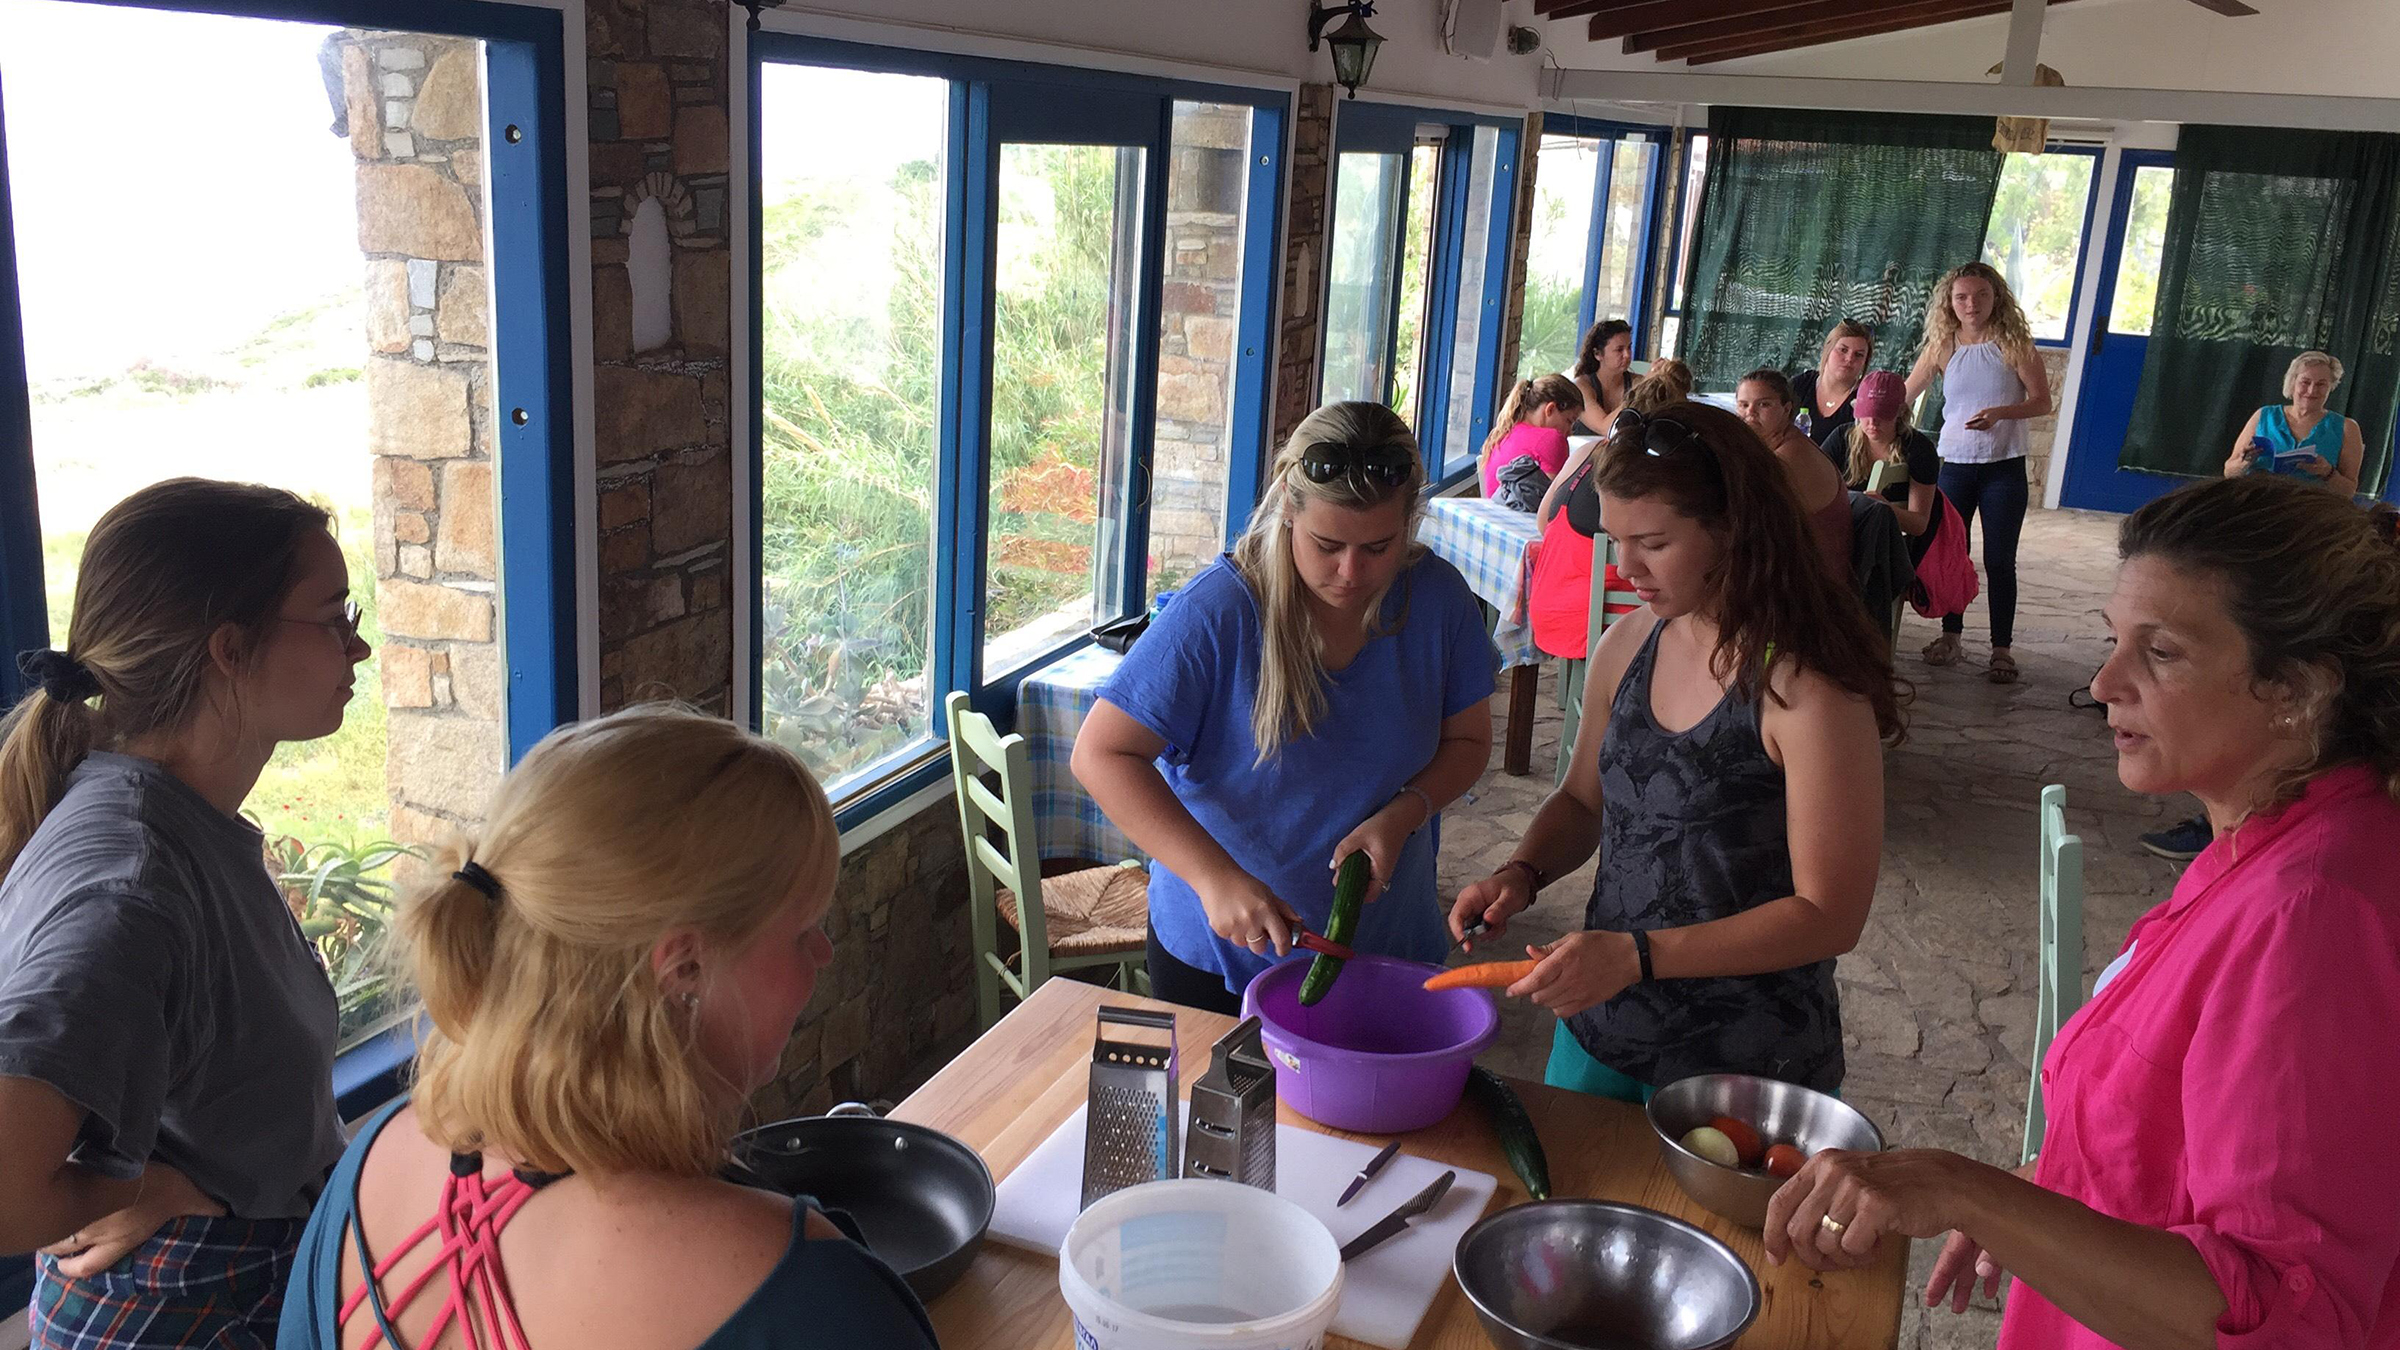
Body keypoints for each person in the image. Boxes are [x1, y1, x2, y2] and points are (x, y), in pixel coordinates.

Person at [1763, 476, 2400, 1350]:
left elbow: (2294, 1316)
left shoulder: (2315, 914)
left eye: (2162, 653)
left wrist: (1966, 1188)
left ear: (2297, 689)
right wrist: (2042, 1197)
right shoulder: (2265, 842)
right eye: (2113, 643)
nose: (2104, 683)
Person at [278, 705, 938, 1350]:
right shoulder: (803, 1293)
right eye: (803, 931)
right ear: (685, 968)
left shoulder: (368, 1168)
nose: (823, 953)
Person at [0, 479, 367, 1348]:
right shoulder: (132, 888)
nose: (359, 646)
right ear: (230, 649)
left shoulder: (172, 820)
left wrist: (178, 1179)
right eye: (334, 614)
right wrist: (135, 1186)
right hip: (182, 1311)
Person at [1452, 402, 1901, 1101]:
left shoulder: (1807, 691)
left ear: (1732, 532)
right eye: (1615, 538)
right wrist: (1523, 871)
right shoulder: (1628, 645)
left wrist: (1637, 956)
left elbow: (1829, 914)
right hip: (1606, 1024)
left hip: (1745, 1058)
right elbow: (1581, 800)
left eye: (1653, 543)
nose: (1625, 566)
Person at [1073, 403, 1497, 1014]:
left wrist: (1406, 812)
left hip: (1383, 946)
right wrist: (1213, 878)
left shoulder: (1438, 599)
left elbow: (1469, 743)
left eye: (1379, 546)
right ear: (1288, 512)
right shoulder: (1217, 611)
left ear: (1410, 524)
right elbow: (1101, 753)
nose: (1352, 572)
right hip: (1220, 958)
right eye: (1327, 544)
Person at [1906, 261, 2052, 684]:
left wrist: (2001, 414)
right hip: (1954, 466)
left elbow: (2042, 402)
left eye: (1981, 296)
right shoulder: (1942, 345)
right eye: (1962, 297)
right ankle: (1951, 636)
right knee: (1953, 555)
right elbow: (1906, 392)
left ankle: (2001, 649)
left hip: (2003, 467)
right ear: (1950, 303)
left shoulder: (2013, 343)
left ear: (1996, 298)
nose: (1972, 304)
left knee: (2000, 560)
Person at [1525, 360, 1697, 663]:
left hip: (1550, 609)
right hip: (1603, 625)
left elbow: (1543, 522)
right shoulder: (1663, 475)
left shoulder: (1585, 453)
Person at [1737, 369, 1852, 582]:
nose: (1750, 413)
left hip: (1811, 585)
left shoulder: (1790, 456)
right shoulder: (1775, 447)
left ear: (1787, 409)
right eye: (1744, 405)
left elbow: (1745, 524)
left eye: (1764, 404)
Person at [2222, 350, 2363, 497]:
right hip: (2259, 503)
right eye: (2305, 382)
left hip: (2313, 509)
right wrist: (2245, 462)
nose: (2311, 390)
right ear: (2292, 383)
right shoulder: (2263, 416)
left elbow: (2348, 492)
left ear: (2330, 388)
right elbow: (2229, 472)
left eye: (2321, 384)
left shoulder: (2347, 427)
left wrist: (2328, 473)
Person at [1837, 370, 1943, 559]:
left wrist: (1884, 509)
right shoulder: (1842, 437)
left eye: (1882, 414)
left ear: (1901, 412)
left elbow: (1919, 524)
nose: (1872, 422)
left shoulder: (1919, 449)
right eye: (1866, 414)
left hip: (1890, 546)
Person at [1480, 374, 1584, 512]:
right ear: (1550, 409)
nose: (1570, 432)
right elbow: (1555, 503)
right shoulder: (1552, 438)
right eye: (1569, 421)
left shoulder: (1504, 432)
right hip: (1525, 523)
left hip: (1495, 518)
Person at [1792, 319, 1874, 458]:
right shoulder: (1801, 385)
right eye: (1843, 350)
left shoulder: (1865, 400)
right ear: (1828, 349)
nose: (1849, 358)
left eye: (1858, 355)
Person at [1567, 319, 1635, 434]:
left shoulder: (1637, 382)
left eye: (1629, 347)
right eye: (1619, 350)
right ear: (1598, 354)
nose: (1627, 355)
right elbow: (1604, 427)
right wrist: (1640, 393)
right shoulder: (1581, 386)